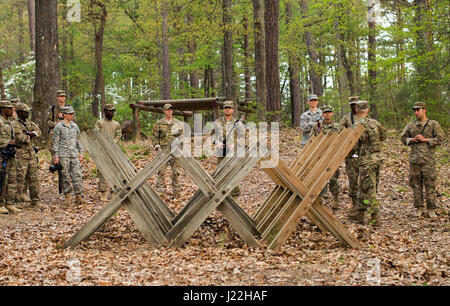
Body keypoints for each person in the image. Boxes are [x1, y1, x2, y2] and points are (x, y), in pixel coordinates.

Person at [401, 102, 445, 218]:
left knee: (430, 185)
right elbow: (403, 138)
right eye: (414, 110)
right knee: (416, 185)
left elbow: (441, 138)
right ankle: (419, 208)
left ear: (424, 110)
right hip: (414, 160)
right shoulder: (411, 125)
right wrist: (411, 140)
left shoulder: (433, 124)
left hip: (428, 160)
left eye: (418, 110)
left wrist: (425, 140)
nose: (416, 112)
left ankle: (431, 209)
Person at [349, 101, 387, 226]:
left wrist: (350, 156)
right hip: (377, 159)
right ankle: (360, 212)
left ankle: (374, 217)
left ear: (356, 111)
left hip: (366, 161)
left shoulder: (357, 125)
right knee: (366, 186)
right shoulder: (375, 123)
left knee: (369, 189)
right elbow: (383, 137)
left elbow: (353, 146)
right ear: (367, 110)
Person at [211, 100, 246, 198]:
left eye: (229, 108)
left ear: (233, 110)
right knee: (220, 173)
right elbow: (212, 136)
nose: (227, 110)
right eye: (225, 108)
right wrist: (217, 142)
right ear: (223, 110)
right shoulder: (217, 122)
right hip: (221, 152)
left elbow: (244, 138)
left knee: (233, 173)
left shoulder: (238, 123)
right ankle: (222, 196)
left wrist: (235, 144)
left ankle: (234, 196)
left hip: (233, 152)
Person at [52, 106, 85, 206]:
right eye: (70, 114)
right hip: (63, 155)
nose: (72, 115)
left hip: (74, 154)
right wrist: (55, 156)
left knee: (77, 175)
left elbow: (78, 140)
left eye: (72, 114)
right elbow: (56, 142)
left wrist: (81, 152)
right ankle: (67, 198)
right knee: (65, 176)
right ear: (64, 114)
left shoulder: (75, 126)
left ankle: (79, 196)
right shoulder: (58, 127)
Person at [311, 105, 341, 208]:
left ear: (332, 113)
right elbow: (312, 140)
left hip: (333, 156)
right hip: (320, 156)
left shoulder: (337, 126)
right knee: (318, 178)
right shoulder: (317, 126)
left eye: (329, 112)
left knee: (333, 179)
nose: (327, 114)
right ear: (322, 114)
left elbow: (341, 141)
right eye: (325, 112)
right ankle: (318, 200)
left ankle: (336, 200)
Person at [151, 103, 184, 196]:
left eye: (171, 110)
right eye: (167, 110)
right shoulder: (159, 123)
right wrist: (157, 146)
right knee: (161, 171)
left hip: (175, 151)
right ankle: (159, 191)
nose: (169, 111)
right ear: (164, 111)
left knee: (175, 172)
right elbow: (154, 137)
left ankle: (176, 192)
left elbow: (181, 137)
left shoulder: (177, 123)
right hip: (163, 151)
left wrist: (180, 148)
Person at [14, 103, 42, 208]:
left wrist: (31, 133)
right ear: (20, 112)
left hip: (31, 154)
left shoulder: (29, 123)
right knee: (19, 179)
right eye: (25, 111)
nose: (27, 113)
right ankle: (17, 201)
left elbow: (38, 131)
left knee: (34, 178)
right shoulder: (15, 124)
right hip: (20, 155)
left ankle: (35, 200)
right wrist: (29, 135)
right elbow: (20, 138)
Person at [94, 104, 122, 201]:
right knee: (102, 173)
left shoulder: (116, 124)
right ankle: (103, 194)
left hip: (114, 152)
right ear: (105, 111)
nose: (112, 113)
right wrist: (105, 144)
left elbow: (119, 135)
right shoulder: (99, 123)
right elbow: (97, 134)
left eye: (113, 111)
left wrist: (113, 143)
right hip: (102, 151)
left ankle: (114, 193)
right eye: (110, 111)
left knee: (115, 172)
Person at [339, 96, 360, 212]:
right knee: (352, 179)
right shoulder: (346, 119)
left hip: (363, 154)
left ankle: (364, 203)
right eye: (352, 105)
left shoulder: (365, 118)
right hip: (351, 154)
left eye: (356, 104)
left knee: (365, 181)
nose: (354, 107)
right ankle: (355, 202)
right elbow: (340, 133)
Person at [0, 101, 21, 214]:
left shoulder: (10, 123)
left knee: (12, 179)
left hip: (11, 155)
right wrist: (7, 142)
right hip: (2, 155)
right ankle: (1, 203)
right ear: (3, 109)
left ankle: (9, 202)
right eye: (9, 108)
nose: (11, 110)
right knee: (2, 179)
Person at [47, 90, 67, 175]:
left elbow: (74, 120)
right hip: (55, 134)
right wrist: (57, 123)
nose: (63, 98)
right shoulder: (52, 108)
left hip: (66, 133)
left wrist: (65, 118)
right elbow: (48, 122)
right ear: (57, 97)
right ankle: (55, 172)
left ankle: (64, 171)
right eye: (61, 96)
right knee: (55, 152)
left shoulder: (68, 108)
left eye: (64, 96)